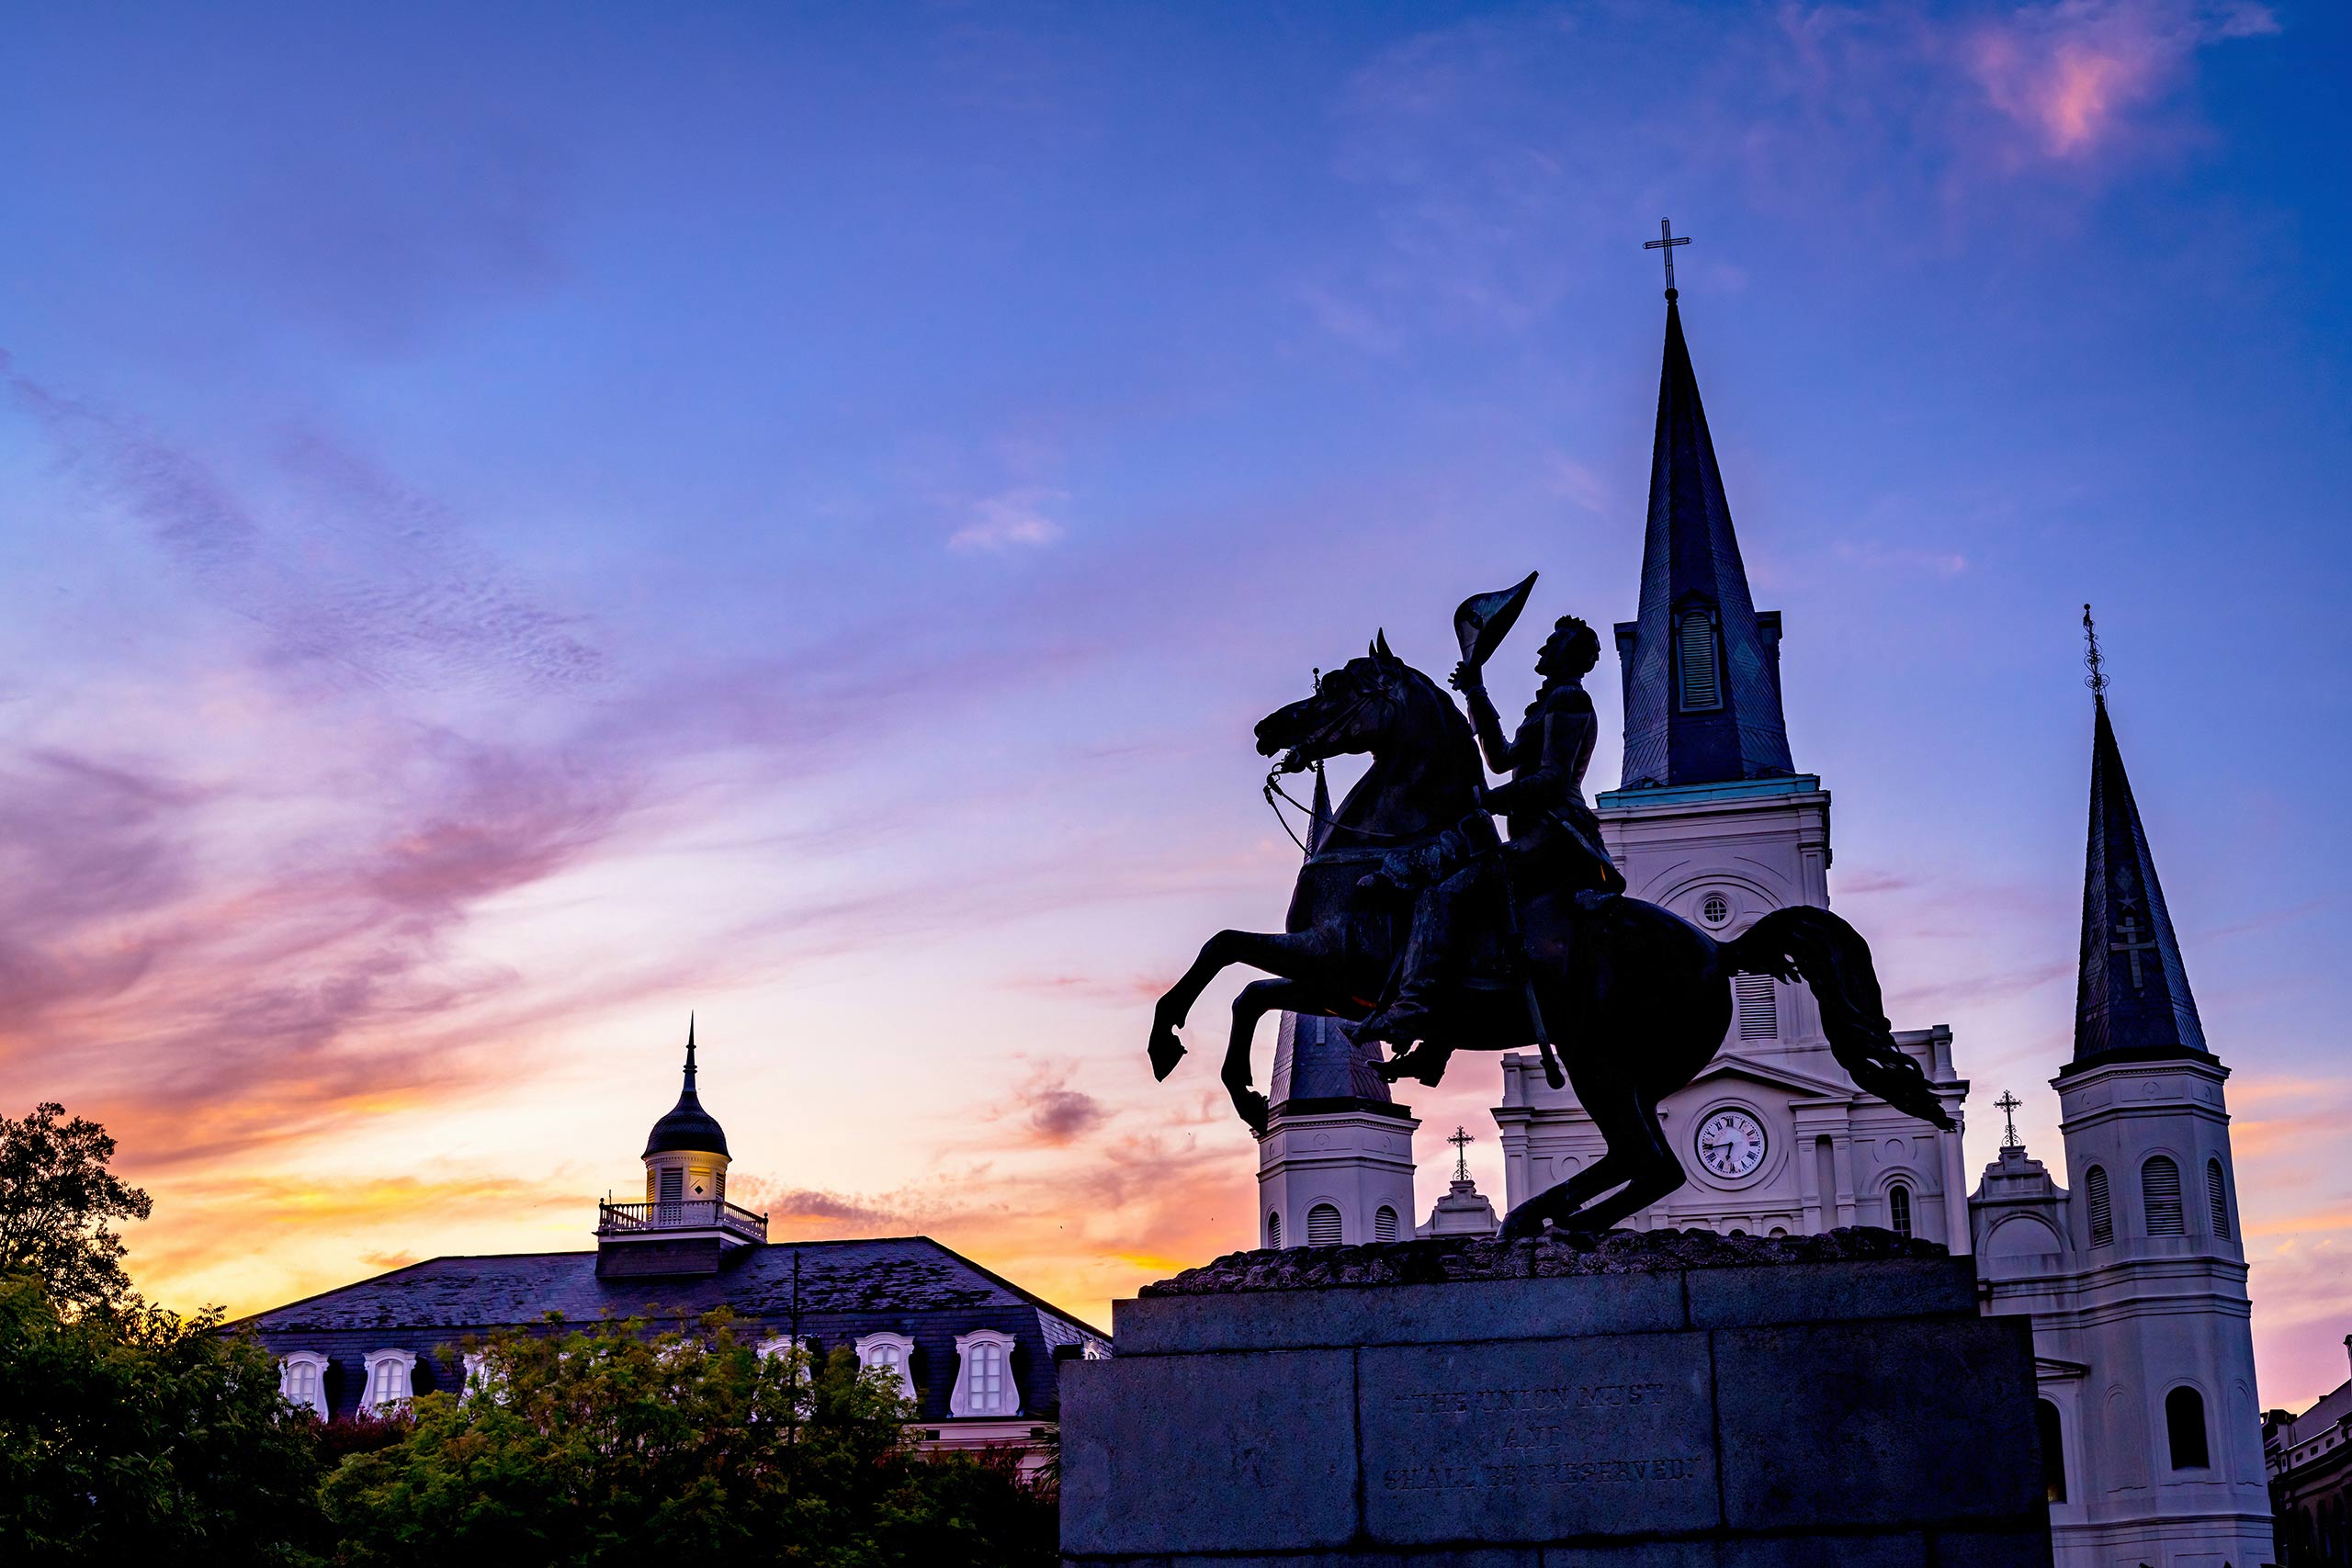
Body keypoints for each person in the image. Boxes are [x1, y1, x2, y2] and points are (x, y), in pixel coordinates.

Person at [1351, 614, 1624, 1049]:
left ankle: (1412, 1010)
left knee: (1444, 893)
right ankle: (1441, 1037)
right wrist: (1475, 689)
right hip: (1533, 831)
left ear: (1569, 653)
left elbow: (1553, 779)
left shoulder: (1569, 699)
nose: (1541, 651)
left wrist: (1490, 800)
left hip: (1555, 832)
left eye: (1551, 643)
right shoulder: (1550, 703)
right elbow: (1500, 757)